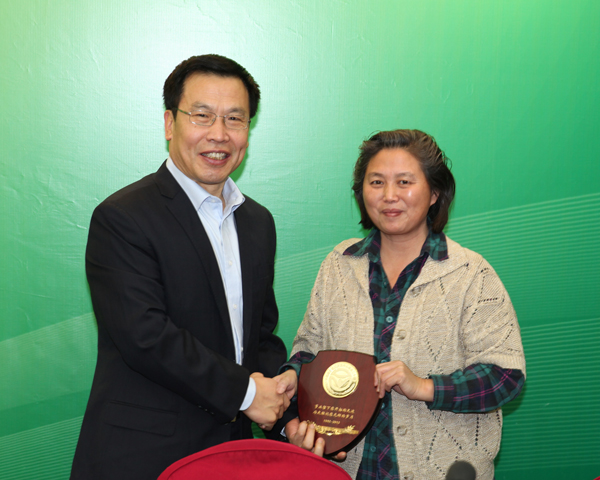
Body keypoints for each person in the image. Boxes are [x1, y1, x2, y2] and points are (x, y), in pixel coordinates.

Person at [70, 55, 290, 480]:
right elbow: (146, 336)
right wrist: (248, 394)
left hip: (232, 456)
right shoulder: (123, 217)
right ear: (170, 123)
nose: (219, 134)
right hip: (144, 458)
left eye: (235, 119)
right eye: (202, 115)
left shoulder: (257, 221)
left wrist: (285, 407)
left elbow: (259, 336)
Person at [278, 130, 526, 480]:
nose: (389, 195)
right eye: (376, 182)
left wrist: (424, 387)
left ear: (435, 193)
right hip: (346, 470)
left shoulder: (471, 273)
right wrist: (292, 417)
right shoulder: (338, 265)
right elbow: (307, 355)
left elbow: (505, 376)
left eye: (404, 182)